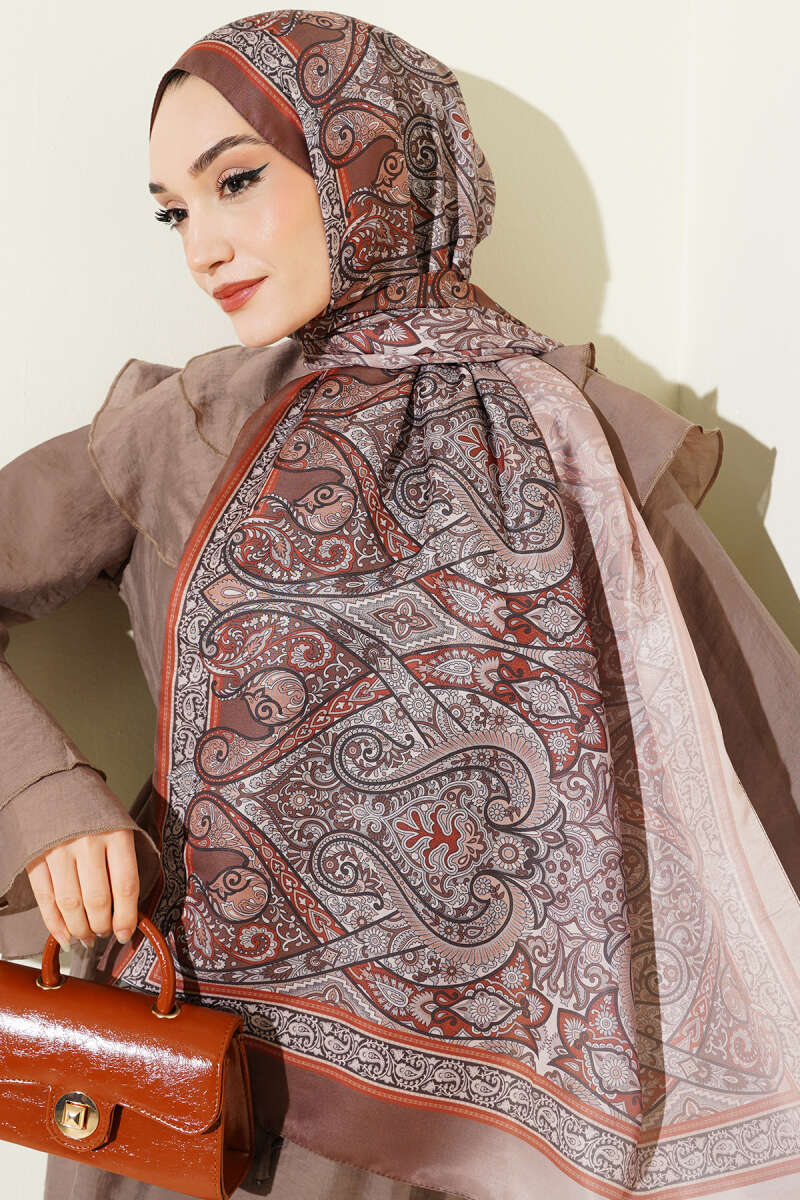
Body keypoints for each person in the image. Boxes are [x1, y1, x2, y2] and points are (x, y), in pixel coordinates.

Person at [1, 9, 799, 1200]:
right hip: (200, 1091)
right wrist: (43, 801)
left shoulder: (571, 435)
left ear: (371, 158)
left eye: (235, 182)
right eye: (174, 211)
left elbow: (746, 740)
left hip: (490, 1115)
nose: (202, 247)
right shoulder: (182, 432)